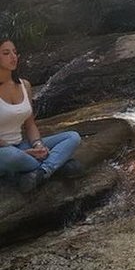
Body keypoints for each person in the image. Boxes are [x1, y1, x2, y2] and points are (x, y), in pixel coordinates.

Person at [0, 38, 83, 193]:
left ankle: (41, 172)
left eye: (15, 52)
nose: (13, 56)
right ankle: (56, 166)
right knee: (12, 156)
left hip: (21, 145)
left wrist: (38, 145)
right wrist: (25, 153)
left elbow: (30, 124)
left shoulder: (24, 85)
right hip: (5, 151)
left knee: (73, 137)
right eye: (6, 53)